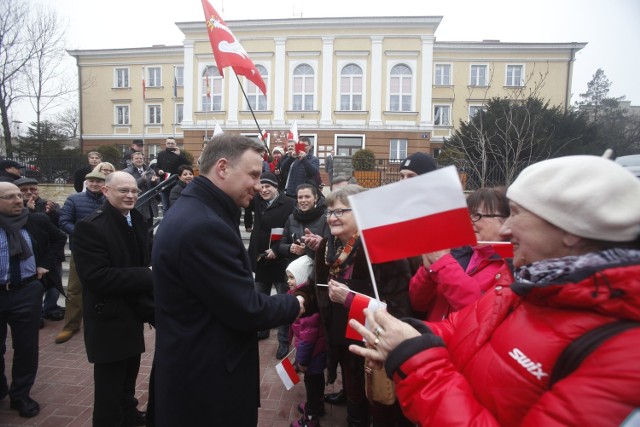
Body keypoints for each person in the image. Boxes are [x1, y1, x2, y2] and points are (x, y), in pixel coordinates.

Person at [348, 155, 640, 426]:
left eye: (516, 214)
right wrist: (406, 333)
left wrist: (415, 359)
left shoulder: (622, 355)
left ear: (571, 230)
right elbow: (461, 329)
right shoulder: (527, 286)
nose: (505, 230)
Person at [151, 133, 305, 425]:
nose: (259, 185)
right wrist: (298, 302)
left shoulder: (200, 210)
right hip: (207, 386)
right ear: (222, 168)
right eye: (253, 175)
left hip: (195, 370)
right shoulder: (204, 225)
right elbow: (246, 309)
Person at [296, 185, 413, 427]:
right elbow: (315, 286)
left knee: (374, 401)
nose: (332, 217)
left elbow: (400, 308)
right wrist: (299, 299)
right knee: (353, 392)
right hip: (340, 339)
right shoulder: (328, 248)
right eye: (329, 212)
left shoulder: (381, 250)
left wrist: (351, 299)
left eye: (340, 211)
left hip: (370, 345)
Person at [72, 172, 152, 427]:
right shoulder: (90, 227)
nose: (130, 196)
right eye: (123, 191)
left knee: (129, 375)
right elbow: (97, 277)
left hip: (133, 312)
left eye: (134, 191)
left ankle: (129, 414)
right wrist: (148, 275)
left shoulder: (137, 219)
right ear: (106, 192)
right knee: (109, 386)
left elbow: (143, 256)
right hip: (108, 318)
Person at [0, 182, 67, 418]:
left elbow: (59, 238)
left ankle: (21, 395)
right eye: (10, 197)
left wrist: (45, 264)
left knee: (26, 347)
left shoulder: (34, 220)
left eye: (19, 195)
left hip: (26, 291)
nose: (19, 200)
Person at [409, 187, 513, 321]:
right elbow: (418, 303)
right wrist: (427, 272)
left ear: (505, 221)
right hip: (435, 337)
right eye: (467, 215)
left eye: (477, 216)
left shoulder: (511, 264)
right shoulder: (456, 252)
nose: (469, 222)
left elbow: (480, 311)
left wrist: (443, 265)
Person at [247, 171, 296, 357]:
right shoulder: (258, 201)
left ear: (276, 187)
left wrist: (276, 249)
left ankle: (283, 341)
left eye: (268, 186)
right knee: (260, 297)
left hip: (280, 260)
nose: (265, 190)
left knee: (283, 300)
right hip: (260, 259)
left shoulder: (290, 203)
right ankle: (263, 329)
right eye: (262, 186)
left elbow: (290, 229)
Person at [55, 170, 106, 344]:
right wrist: (82, 234)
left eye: (99, 181)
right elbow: (63, 221)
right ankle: (71, 325)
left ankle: (100, 321)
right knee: (75, 289)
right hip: (81, 250)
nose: (95, 184)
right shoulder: (74, 199)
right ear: (86, 182)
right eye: (92, 181)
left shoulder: (109, 200)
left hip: (103, 251)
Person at [15, 177, 66, 324]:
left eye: (33, 189)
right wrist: (28, 211)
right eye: (24, 190)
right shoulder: (15, 208)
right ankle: (36, 313)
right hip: (30, 255)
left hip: (51, 253)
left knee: (54, 284)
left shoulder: (49, 205)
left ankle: (50, 308)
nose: (29, 193)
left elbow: (59, 229)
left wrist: (52, 214)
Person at [286, 255, 326, 427]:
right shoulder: (298, 295)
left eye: (292, 277)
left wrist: (302, 360)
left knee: (312, 382)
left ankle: (311, 418)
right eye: (287, 277)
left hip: (313, 354)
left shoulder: (306, 306)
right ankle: (317, 405)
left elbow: (307, 337)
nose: (288, 281)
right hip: (313, 351)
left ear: (303, 277)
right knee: (316, 381)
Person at [278, 184, 330, 263]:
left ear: (315, 198)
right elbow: (281, 245)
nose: (303, 200)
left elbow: (329, 249)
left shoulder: (325, 219)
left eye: (307, 197)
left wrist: (306, 250)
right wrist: (290, 248)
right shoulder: (291, 218)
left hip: (315, 268)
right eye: (300, 197)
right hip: (294, 269)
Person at [124, 152, 159, 231]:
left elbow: (156, 185)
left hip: (150, 203)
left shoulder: (150, 170)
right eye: (136, 158)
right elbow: (129, 185)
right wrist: (142, 180)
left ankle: (150, 242)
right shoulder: (127, 172)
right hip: (137, 204)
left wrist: (154, 181)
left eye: (141, 158)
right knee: (139, 228)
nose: (139, 160)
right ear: (132, 160)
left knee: (150, 228)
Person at [155, 137, 190, 212]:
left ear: (175, 144)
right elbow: (157, 167)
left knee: (177, 206)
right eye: (168, 143)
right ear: (165, 144)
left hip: (177, 183)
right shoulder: (161, 154)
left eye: (172, 143)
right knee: (165, 207)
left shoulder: (180, 153)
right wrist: (159, 171)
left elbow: (188, 165)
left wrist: (179, 155)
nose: (170, 145)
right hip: (164, 183)